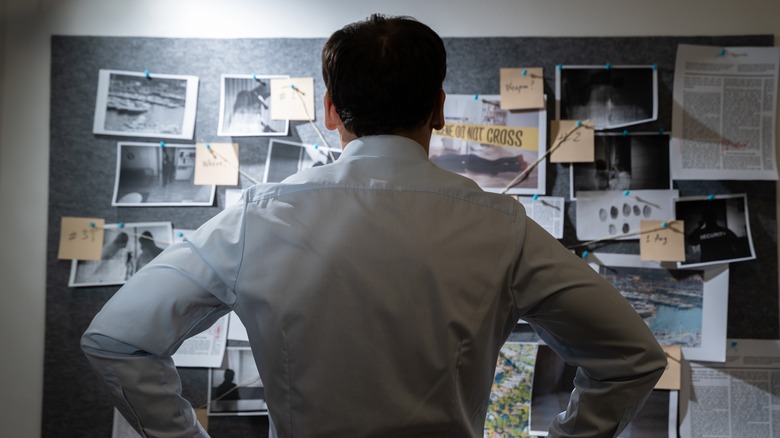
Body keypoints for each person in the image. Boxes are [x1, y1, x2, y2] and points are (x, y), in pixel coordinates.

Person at [82, 14, 666, 438]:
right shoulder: (503, 229)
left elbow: (116, 339)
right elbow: (633, 357)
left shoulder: (258, 219)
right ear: (439, 107)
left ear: (332, 109)